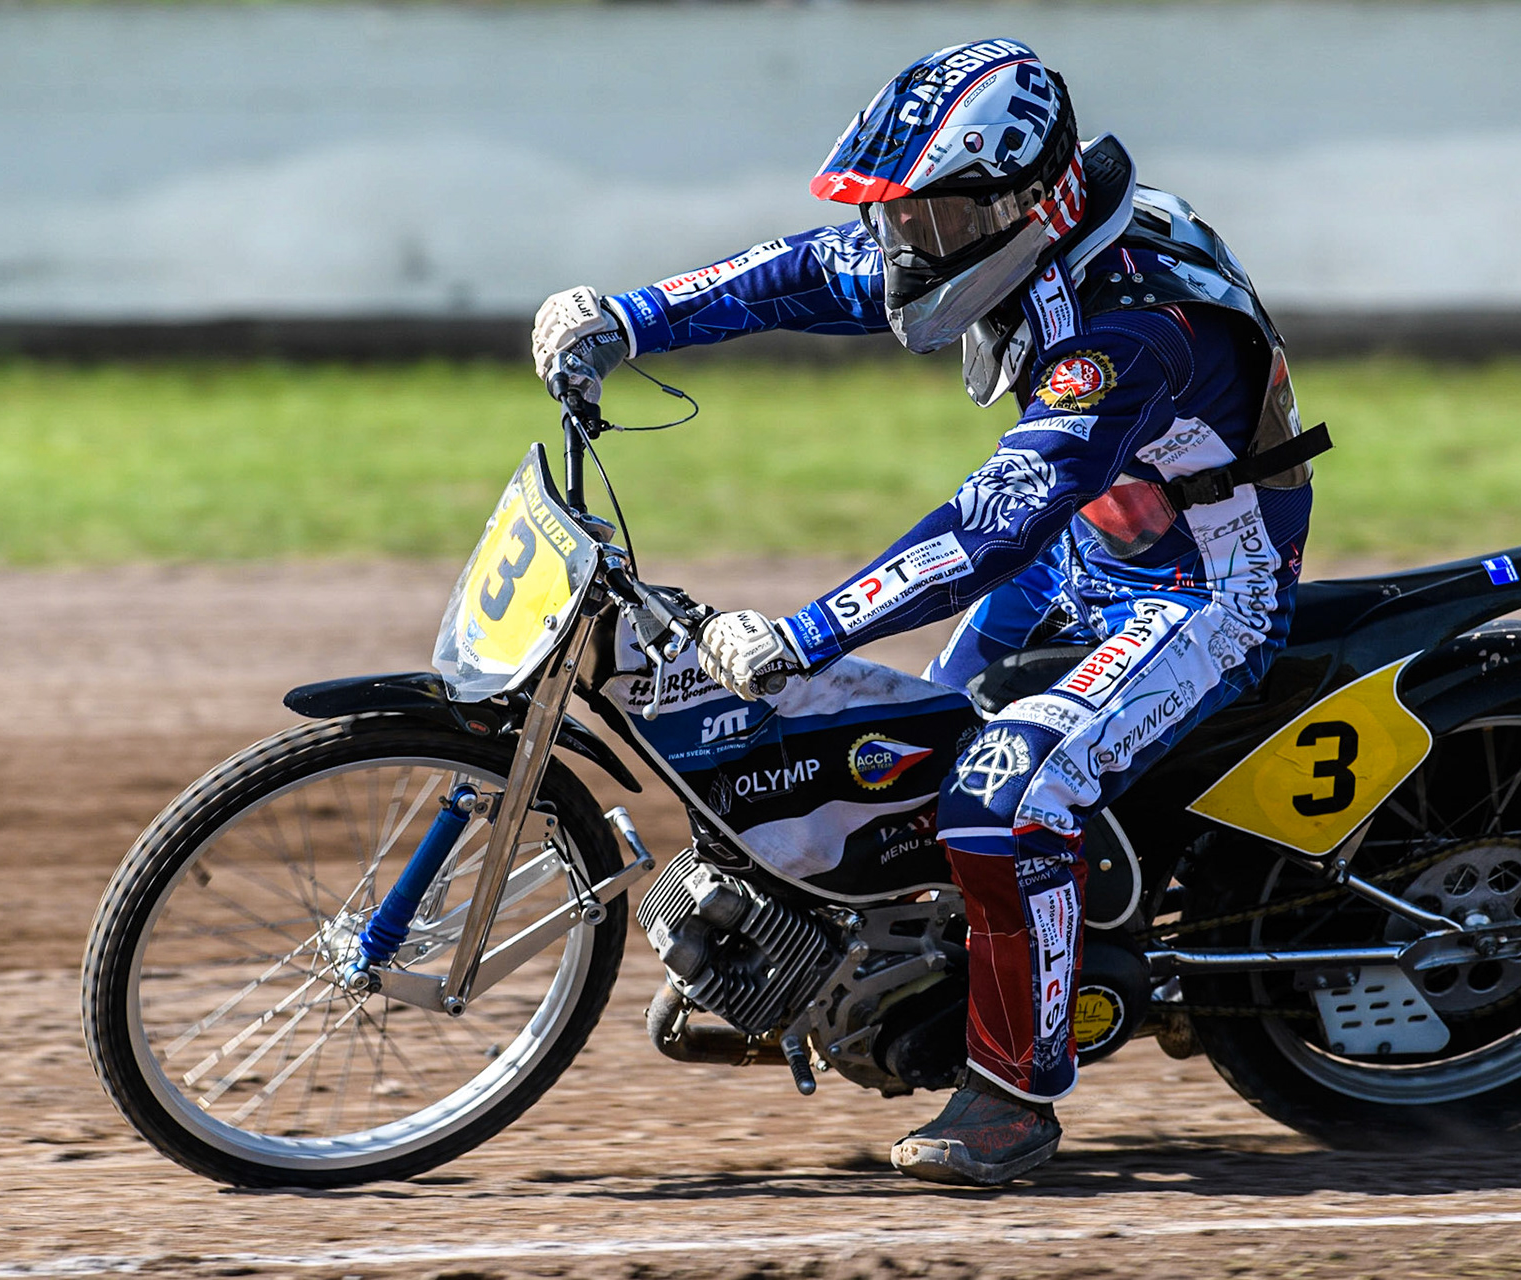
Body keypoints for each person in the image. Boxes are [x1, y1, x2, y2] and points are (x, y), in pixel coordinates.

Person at [532, 38, 1322, 1187]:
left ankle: (1011, 1095)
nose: (902, 252)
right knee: (916, 748)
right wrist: (629, 317)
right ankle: (871, 967)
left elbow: (987, 524)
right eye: (899, 219)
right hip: (1094, 545)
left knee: (1003, 787)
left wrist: (805, 633)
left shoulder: (1133, 326)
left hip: (1205, 590)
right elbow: (806, 271)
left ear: (1028, 200)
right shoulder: (1025, 238)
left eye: (929, 225)